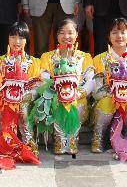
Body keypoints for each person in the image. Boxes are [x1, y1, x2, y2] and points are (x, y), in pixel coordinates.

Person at [35, 19, 95, 155]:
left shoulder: (84, 57)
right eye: (61, 33)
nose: (66, 36)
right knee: (58, 101)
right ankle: (59, 138)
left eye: (70, 33)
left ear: (76, 35)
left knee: (76, 104)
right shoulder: (47, 57)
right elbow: (44, 79)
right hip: (55, 95)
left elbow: (91, 80)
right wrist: (57, 91)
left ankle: (72, 138)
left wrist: (80, 93)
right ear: (56, 35)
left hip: (77, 96)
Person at [89, 18, 127, 153]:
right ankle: (98, 137)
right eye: (114, 32)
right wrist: (113, 94)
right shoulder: (99, 59)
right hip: (107, 99)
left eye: (122, 32)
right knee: (106, 102)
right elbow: (95, 91)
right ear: (109, 36)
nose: (119, 36)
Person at [0, 21, 41, 149]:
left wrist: (24, 96)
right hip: (3, 101)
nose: (17, 41)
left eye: (21, 38)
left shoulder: (34, 62)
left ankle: (28, 142)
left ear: (27, 40)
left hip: (26, 101)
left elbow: (37, 86)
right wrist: (2, 95)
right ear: (8, 38)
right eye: (13, 37)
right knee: (4, 106)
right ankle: (7, 142)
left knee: (22, 107)